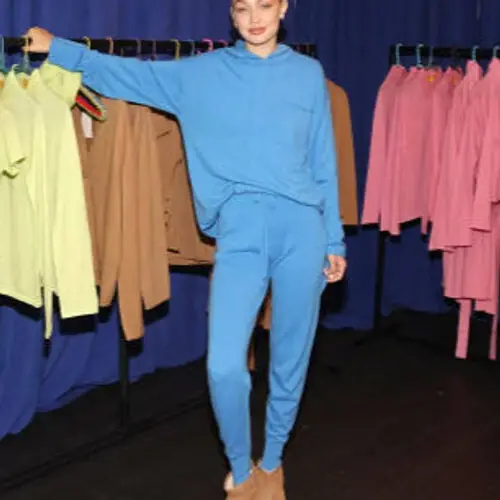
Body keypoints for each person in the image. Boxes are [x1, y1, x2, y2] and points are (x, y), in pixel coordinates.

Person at [27, 0, 346, 498]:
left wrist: (333, 237)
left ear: (284, 7)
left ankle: (273, 461)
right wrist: (60, 49)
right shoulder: (201, 74)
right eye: (242, 8)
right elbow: (127, 76)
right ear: (231, 15)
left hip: (303, 230)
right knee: (223, 365)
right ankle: (241, 472)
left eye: (265, 5)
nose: (254, 18)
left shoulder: (308, 75)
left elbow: (324, 161)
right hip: (240, 234)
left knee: (290, 357)